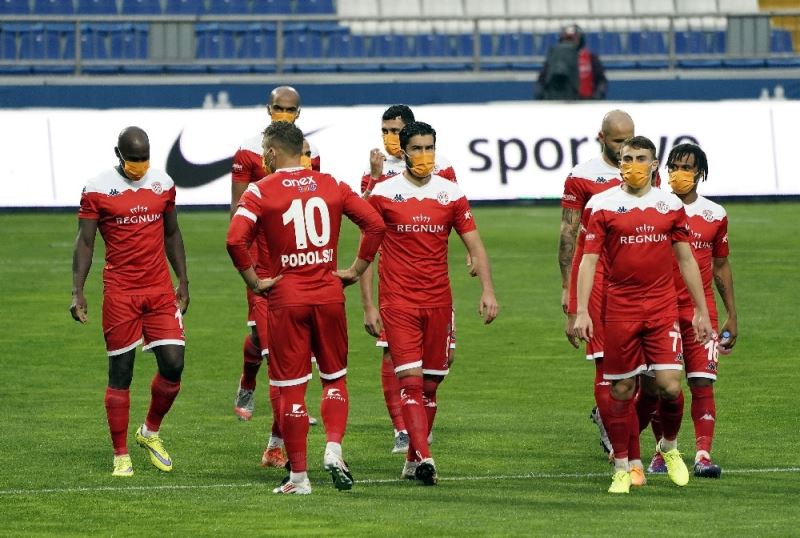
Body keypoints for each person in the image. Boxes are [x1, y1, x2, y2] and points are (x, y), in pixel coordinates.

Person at [226, 121, 385, 495]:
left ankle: (298, 477)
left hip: (286, 297)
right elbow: (374, 224)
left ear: (272, 152)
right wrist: (355, 270)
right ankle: (333, 449)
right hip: (329, 294)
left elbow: (235, 240)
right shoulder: (332, 184)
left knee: (291, 388)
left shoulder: (260, 191)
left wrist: (253, 282)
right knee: (334, 378)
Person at [573, 135, 713, 494]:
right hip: (619, 309)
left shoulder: (669, 205)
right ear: (620, 162)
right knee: (621, 388)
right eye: (627, 157)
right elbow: (589, 260)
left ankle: (668, 447)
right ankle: (622, 466)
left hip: (662, 307)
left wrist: (701, 309)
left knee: (668, 385)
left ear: (653, 165)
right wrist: (583, 310)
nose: (632, 164)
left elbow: (686, 259)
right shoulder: (602, 205)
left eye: (640, 158)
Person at [367, 121, 498, 485]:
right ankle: (426, 457)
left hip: (439, 300)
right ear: (404, 152)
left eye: (430, 148)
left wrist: (487, 290)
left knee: (430, 385)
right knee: (410, 381)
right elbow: (367, 251)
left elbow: (474, 243)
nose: (425, 155)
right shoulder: (383, 193)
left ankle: (412, 461)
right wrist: (368, 305)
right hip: (399, 302)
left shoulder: (450, 194)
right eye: (418, 149)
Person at [70, 126, 189, 478]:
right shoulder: (96, 189)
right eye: (133, 159)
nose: (140, 165)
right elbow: (85, 242)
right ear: (118, 154)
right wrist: (78, 290)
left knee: (174, 365)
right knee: (121, 373)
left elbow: (172, 232)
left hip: (159, 290)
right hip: (121, 292)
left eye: (144, 158)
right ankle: (120, 453)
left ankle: (149, 432)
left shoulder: (163, 184)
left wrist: (183, 279)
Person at [360, 104, 461, 455]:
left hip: (433, 280)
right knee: (392, 355)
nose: (389, 137)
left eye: (394, 130)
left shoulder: (441, 166)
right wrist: (372, 179)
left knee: (438, 366)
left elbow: (450, 205)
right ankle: (401, 429)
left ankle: (415, 425)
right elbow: (365, 221)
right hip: (395, 279)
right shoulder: (373, 173)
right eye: (384, 130)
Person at [229, 86, 318, 466]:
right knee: (277, 352)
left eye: (290, 109)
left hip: (296, 265)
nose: (283, 114)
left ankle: (256, 392)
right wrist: (248, 271)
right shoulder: (248, 151)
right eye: (278, 108)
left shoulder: (307, 153)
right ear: (268, 109)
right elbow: (238, 211)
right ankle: (277, 440)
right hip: (262, 266)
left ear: (298, 113)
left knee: (279, 348)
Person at [638, 143, 738, 479]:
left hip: (701, 311)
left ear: (701, 173)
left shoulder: (715, 215)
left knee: (702, 382)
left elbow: (721, 266)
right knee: (660, 385)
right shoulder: (652, 208)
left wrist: (731, 314)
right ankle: (665, 451)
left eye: (688, 167)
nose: (680, 173)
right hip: (660, 308)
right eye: (675, 166)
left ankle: (703, 455)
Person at [559, 110, 633, 460]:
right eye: (619, 141)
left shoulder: (644, 172)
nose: (625, 148)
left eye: (629, 139)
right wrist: (568, 290)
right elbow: (568, 233)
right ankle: (611, 432)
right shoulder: (582, 177)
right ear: (602, 138)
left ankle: (609, 413)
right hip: (599, 279)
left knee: (645, 371)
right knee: (605, 360)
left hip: (640, 282)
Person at [536, 24, 607, 101]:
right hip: (558, 102)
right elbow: (542, 80)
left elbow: (601, 81)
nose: (569, 42)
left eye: (572, 39)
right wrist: (541, 94)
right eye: (567, 39)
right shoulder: (553, 58)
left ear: (580, 40)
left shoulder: (591, 58)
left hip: (586, 102)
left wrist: (598, 95)